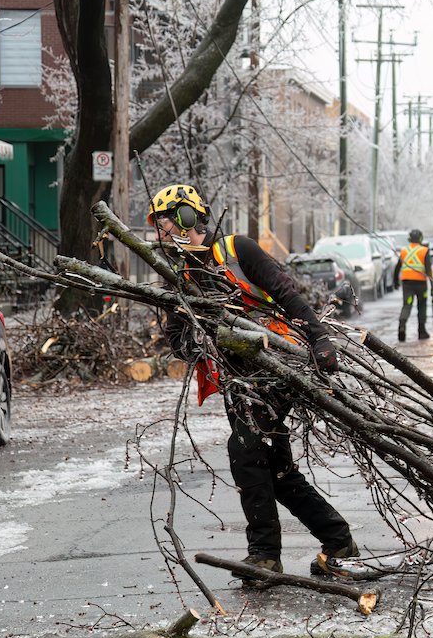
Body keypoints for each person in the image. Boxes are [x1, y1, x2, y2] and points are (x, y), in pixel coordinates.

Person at [147, 184, 359, 580]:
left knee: (246, 451)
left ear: (186, 218)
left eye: (163, 224)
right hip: (238, 378)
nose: (159, 235)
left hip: (277, 364)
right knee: (273, 464)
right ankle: (337, 539)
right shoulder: (180, 275)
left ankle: (264, 555)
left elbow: (286, 293)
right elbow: (177, 339)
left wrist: (320, 338)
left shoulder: (237, 250)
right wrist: (198, 346)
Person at [392, 228, 432, 342]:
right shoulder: (424, 250)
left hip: (407, 284)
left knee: (407, 305)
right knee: (422, 306)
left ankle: (402, 327)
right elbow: (428, 269)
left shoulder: (404, 251)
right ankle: (422, 331)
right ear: (420, 238)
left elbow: (397, 267)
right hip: (421, 284)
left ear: (409, 239)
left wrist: (395, 282)